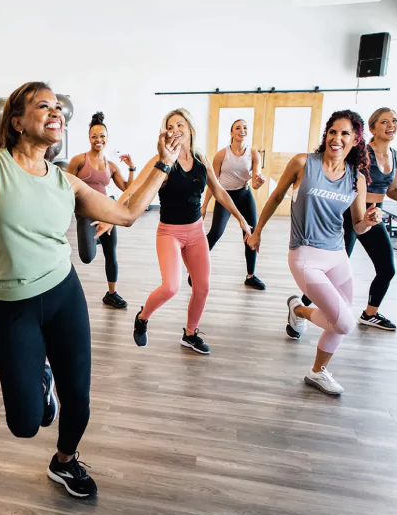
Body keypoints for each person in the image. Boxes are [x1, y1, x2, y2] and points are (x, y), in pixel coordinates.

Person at [0, 81, 181, 498]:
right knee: (24, 424)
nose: (55, 112)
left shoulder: (64, 182)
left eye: (58, 107)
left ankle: (64, 462)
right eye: (43, 106)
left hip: (64, 294)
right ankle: (41, 380)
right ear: (17, 121)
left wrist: (164, 162)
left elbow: (128, 212)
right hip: (9, 305)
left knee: (78, 396)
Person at [247, 110, 382, 396]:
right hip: (304, 255)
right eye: (333, 131)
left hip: (337, 255)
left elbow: (357, 227)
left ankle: (317, 371)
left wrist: (369, 221)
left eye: (345, 133)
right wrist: (257, 231)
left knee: (339, 320)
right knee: (344, 322)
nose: (337, 138)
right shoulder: (303, 163)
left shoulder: (355, 178)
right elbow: (275, 197)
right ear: (326, 135)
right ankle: (299, 309)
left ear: (356, 139)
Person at [131, 109, 251, 355]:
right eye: (170, 126)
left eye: (180, 125)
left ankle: (190, 333)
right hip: (169, 233)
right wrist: (115, 216)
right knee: (171, 287)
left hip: (195, 231)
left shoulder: (201, 160)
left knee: (203, 287)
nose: (175, 130)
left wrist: (240, 218)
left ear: (190, 129)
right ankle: (142, 317)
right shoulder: (163, 161)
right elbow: (136, 190)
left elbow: (218, 191)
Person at [301, 107, 397, 331]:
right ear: (373, 128)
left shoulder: (394, 155)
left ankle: (370, 313)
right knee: (331, 269)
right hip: (352, 211)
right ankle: (300, 307)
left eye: (394, 121)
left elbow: (392, 191)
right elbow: (341, 176)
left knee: (387, 268)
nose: (390, 125)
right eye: (384, 122)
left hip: (374, 214)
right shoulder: (361, 152)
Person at [66, 111, 134, 309]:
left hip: (106, 212)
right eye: (94, 136)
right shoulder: (79, 160)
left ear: (107, 138)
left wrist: (131, 168)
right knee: (87, 257)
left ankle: (111, 294)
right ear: (89, 138)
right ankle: (92, 238)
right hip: (86, 213)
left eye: (102, 136)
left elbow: (128, 189)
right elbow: (66, 185)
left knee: (111, 253)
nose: (98, 139)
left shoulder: (111, 165)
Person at [201, 119, 266, 290]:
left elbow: (255, 183)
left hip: (244, 194)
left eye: (245, 127)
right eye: (238, 128)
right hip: (224, 196)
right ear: (231, 133)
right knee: (215, 232)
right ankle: (196, 270)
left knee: (250, 232)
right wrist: (204, 205)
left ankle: (250, 276)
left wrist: (259, 182)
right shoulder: (222, 155)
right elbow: (212, 182)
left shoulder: (253, 154)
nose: (242, 130)